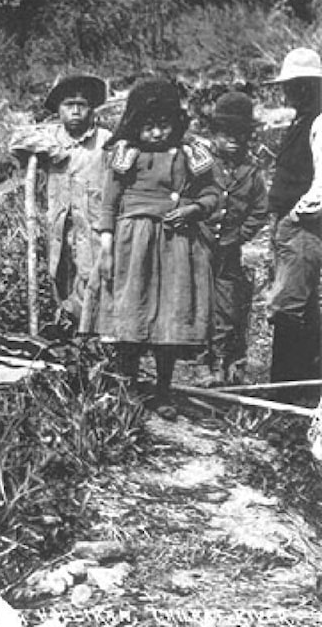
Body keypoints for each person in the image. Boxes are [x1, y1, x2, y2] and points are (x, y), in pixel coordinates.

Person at [95, 78, 221, 413]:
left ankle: (164, 392)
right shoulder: (124, 155)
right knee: (131, 313)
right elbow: (109, 204)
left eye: (163, 125)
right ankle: (129, 390)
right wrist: (106, 246)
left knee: (170, 315)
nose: (155, 134)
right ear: (135, 125)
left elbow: (212, 194)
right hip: (132, 243)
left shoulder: (189, 153)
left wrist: (195, 209)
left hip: (176, 242)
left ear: (175, 123)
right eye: (148, 126)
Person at [197, 91, 268, 386]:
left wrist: (239, 235)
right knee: (198, 304)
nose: (234, 141)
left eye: (240, 135)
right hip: (199, 247)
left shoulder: (251, 172)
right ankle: (202, 363)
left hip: (228, 251)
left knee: (226, 307)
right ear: (213, 133)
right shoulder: (202, 165)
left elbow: (260, 210)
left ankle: (226, 362)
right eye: (226, 134)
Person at [264, 47, 322, 404]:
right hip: (294, 225)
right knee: (298, 302)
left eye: (301, 85)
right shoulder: (303, 120)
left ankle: (288, 392)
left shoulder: (319, 121)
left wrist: (298, 213)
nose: (292, 92)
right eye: (290, 86)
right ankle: (295, 387)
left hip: (305, 226)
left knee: (290, 305)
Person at [40, 73, 112, 331]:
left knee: (90, 278)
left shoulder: (104, 140)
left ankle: (91, 336)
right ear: (58, 111)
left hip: (91, 226)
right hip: (59, 226)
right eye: (68, 106)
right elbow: (17, 144)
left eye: (81, 105)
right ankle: (64, 332)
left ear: (91, 110)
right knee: (59, 275)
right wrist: (47, 148)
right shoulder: (50, 137)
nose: (75, 112)